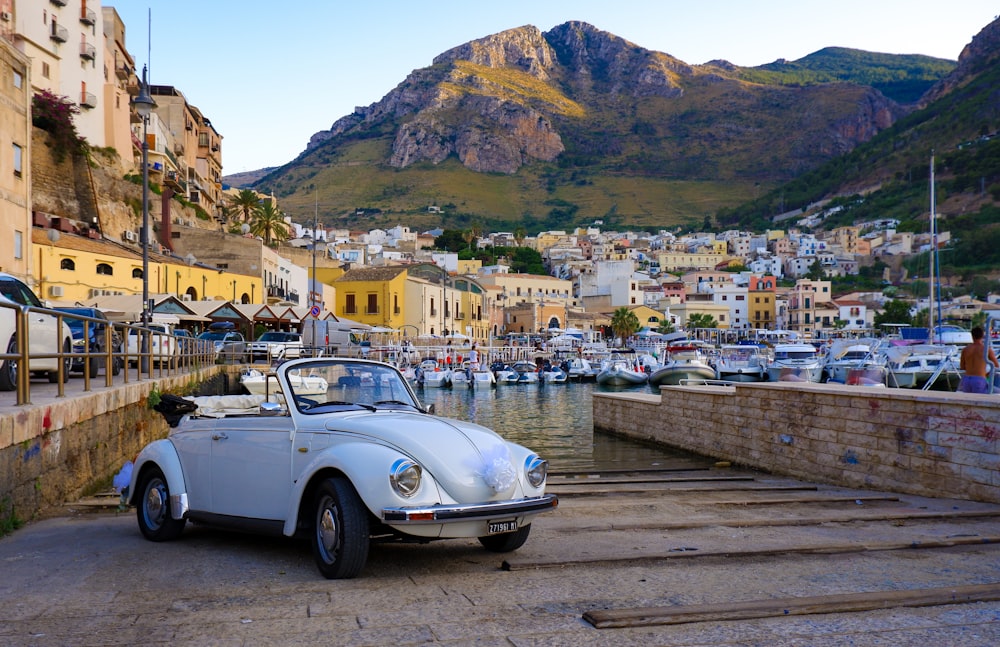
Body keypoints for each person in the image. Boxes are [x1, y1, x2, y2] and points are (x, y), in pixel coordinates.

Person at [959, 326, 998, 394]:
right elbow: (996, 366)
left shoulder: (965, 350)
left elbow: (962, 367)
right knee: (979, 400)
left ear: (972, 336)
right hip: (979, 379)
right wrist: (987, 375)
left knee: (968, 401)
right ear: (982, 336)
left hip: (967, 379)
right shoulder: (986, 350)